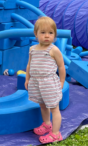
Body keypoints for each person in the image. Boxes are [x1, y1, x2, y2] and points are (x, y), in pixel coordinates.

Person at [24, 16, 66, 144]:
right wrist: (27, 79)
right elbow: (29, 65)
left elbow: (61, 66)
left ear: (54, 35)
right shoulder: (32, 49)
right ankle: (47, 124)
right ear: (35, 34)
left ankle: (55, 134)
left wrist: (62, 82)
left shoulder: (53, 50)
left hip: (49, 83)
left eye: (50, 33)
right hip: (36, 83)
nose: (47, 36)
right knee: (42, 105)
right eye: (43, 32)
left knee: (54, 108)